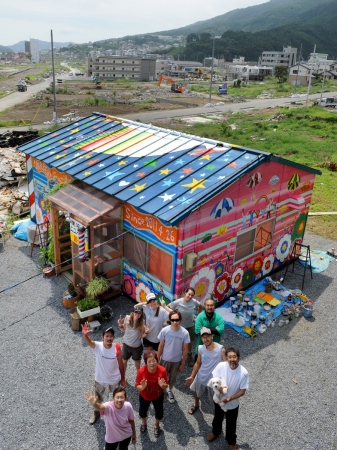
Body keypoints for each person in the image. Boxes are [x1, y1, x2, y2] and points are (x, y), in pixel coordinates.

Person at [81, 324, 125, 425]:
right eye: (107, 336)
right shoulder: (97, 346)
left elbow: (121, 364)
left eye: (111, 336)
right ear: (102, 337)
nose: (109, 338)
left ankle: (115, 416)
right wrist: (84, 335)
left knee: (116, 399)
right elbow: (89, 342)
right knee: (97, 399)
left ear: (113, 338)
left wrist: (123, 379)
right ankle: (96, 413)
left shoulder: (117, 347)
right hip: (100, 380)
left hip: (114, 381)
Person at [207, 346, 249, 450]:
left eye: (234, 357)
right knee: (217, 417)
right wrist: (220, 389)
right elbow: (214, 379)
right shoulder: (221, 366)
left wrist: (230, 399)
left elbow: (242, 391)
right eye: (229, 357)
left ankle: (231, 442)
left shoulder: (243, 373)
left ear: (238, 357)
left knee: (231, 424)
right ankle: (215, 431)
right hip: (219, 400)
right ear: (226, 358)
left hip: (232, 404)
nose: (232, 359)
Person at [185, 327, 226, 415]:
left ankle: (220, 410)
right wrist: (192, 376)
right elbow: (198, 363)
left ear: (212, 336)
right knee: (197, 392)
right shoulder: (201, 348)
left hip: (214, 381)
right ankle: (196, 404)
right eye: (203, 337)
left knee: (216, 398)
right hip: (201, 376)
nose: (205, 339)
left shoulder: (220, 349)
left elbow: (226, 366)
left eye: (207, 336)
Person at [163, 287, 202, 367]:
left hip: (190, 325)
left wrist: (198, 314)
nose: (190, 296)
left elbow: (200, 305)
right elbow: (168, 307)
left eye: (192, 295)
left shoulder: (194, 302)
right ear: (185, 293)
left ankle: (189, 355)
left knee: (190, 341)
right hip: (180, 327)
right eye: (189, 294)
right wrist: (171, 319)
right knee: (180, 341)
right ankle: (179, 356)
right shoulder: (178, 302)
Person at [157, 309, 190, 404]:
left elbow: (185, 349)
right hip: (165, 359)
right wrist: (158, 358)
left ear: (180, 320)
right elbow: (161, 345)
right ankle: (160, 391)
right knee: (162, 377)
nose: (175, 322)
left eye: (177, 320)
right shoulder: (164, 330)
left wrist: (183, 363)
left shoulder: (184, 333)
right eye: (173, 320)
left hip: (177, 360)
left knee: (172, 378)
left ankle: (169, 390)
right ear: (170, 320)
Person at [136, 350, 168, 438]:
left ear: (157, 360)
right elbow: (137, 386)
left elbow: (166, 385)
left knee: (159, 411)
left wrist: (163, 385)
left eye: (154, 360)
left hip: (158, 395)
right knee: (142, 411)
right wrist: (142, 387)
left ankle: (156, 424)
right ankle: (143, 422)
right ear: (145, 362)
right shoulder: (141, 371)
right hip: (144, 396)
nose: (152, 363)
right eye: (149, 361)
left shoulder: (162, 370)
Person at [118, 305, 148, 373]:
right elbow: (123, 330)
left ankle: (139, 375)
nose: (137, 314)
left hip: (136, 347)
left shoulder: (142, 322)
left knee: (137, 361)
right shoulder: (127, 318)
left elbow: (141, 336)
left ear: (141, 314)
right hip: (126, 345)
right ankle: (123, 377)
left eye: (139, 313)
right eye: (136, 312)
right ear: (133, 312)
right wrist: (120, 325)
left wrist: (146, 333)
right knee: (124, 361)